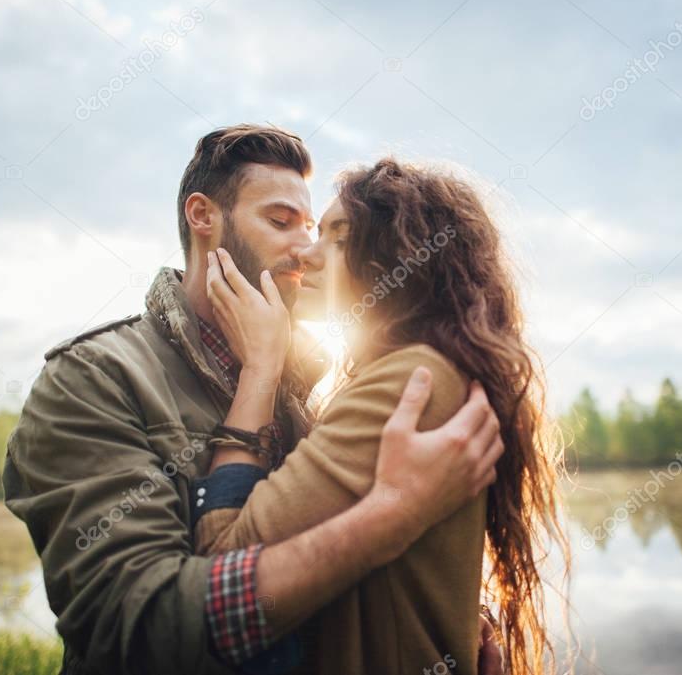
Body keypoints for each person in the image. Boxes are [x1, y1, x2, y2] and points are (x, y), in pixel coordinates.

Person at [3, 125, 506, 675]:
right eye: (280, 221)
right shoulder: (95, 379)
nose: (304, 248)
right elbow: (140, 629)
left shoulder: (315, 390)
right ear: (203, 217)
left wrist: (452, 625)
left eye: (315, 229)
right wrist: (392, 517)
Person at [195, 157, 571, 675]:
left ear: (401, 257)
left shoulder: (408, 386)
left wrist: (260, 370)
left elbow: (221, 570)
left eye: (337, 236)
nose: (306, 253)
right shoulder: (431, 374)